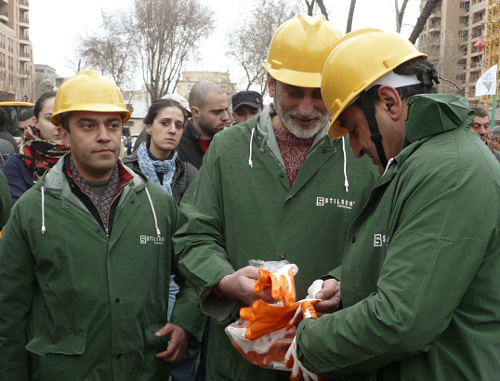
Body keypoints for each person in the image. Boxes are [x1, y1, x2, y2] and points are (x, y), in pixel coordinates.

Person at [173, 14, 378, 381]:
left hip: (330, 358)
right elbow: (193, 235)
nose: (306, 108)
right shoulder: (229, 149)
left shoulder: (362, 154)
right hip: (240, 357)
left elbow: (384, 244)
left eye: (319, 95)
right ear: (270, 83)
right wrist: (224, 280)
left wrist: (345, 279)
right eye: (294, 92)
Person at [291, 28, 500, 380]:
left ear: (390, 102)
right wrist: (348, 284)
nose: (355, 149)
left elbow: (402, 321)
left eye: (354, 129)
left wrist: (304, 341)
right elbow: (416, 260)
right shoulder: (422, 163)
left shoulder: (450, 172)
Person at [0, 70, 205, 380]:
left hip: (142, 369)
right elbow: (8, 312)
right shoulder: (33, 210)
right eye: (88, 125)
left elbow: (195, 268)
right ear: (64, 134)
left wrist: (186, 320)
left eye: (112, 125)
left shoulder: (156, 204)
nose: (104, 136)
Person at [123, 98, 199, 381]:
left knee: (178, 351)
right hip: (134, 273)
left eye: (179, 125)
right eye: (165, 123)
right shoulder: (125, 170)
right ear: (148, 127)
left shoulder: (189, 174)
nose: (172, 130)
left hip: (176, 274)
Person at [3, 92, 70, 204]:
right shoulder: (17, 165)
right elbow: (21, 212)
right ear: (36, 122)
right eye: (51, 118)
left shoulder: (85, 160)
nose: (59, 126)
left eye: (64, 119)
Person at [176, 80, 229, 169]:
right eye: (217, 112)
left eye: (225, 110)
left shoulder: (230, 142)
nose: (226, 117)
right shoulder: (176, 147)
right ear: (196, 112)